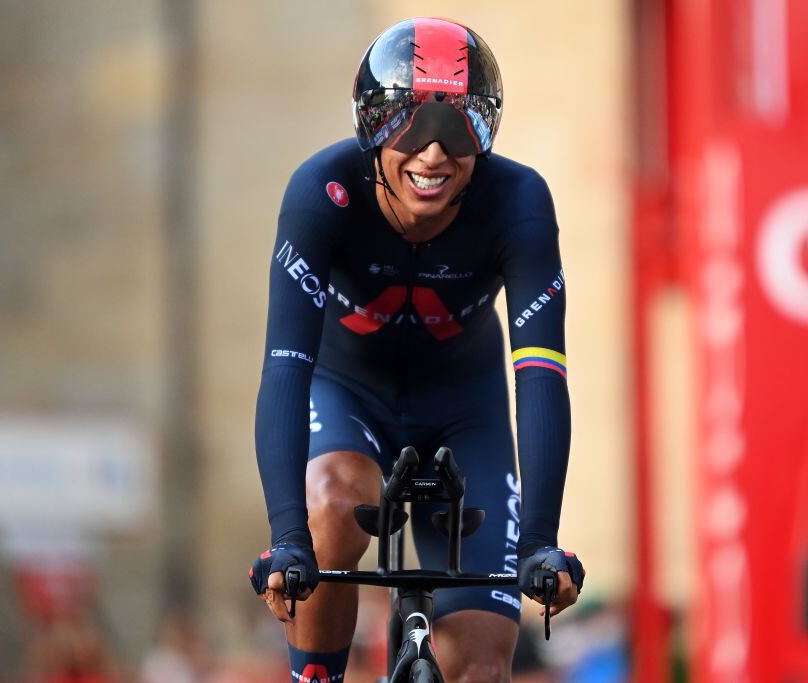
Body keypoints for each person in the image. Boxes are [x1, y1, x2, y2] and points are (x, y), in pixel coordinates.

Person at [249, 17, 585, 683]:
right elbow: (285, 370)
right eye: (410, 128)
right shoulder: (322, 193)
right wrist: (289, 537)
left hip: (467, 411)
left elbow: (542, 375)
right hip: (347, 393)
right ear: (372, 129)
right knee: (337, 506)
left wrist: (540, 543)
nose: (433, 154)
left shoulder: (517, 201)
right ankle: (317, 674)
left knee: (480, 666)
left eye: (459, 129)